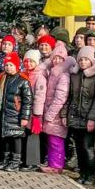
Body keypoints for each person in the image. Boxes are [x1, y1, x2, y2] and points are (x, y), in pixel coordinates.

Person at [66, 46, 95, 184]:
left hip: (88, 117)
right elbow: (70, 96)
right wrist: (66, 114)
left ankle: (90, 175)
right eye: (80, 59)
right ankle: (82, 173)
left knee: (88, 147)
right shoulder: (75, 75)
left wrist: (91, 119)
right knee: (79, 147)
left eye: (86, 59)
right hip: (75, 116)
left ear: (91, 60)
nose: (83, 62)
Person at [0, 52, 31, 172]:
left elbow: (27, 100)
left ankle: (15, 161)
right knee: (6, 137)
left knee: (16, 138)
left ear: (17, 66)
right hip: (5, 113)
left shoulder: (23, 80)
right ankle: (6, 159)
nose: (8, 67)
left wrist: (25, 117)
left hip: (16, 114)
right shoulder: (2, 78)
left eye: (11, 65)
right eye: (6, 65)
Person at [41, 43, 71, 173]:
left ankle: (57, 165)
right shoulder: (53, 73)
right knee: (52, 139)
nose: (57, 61)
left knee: (56, 140)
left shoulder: (63, 75)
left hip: (56, 115)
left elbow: (60, 98)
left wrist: (49, 114)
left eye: (60, 58)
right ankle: (53, 163)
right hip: (51, 113)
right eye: (55, 58)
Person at [21, 50, 47, 172]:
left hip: (34, 112)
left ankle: (32, 162)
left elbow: (39, 96)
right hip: (24, 110)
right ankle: (25, 160)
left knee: (33, 137)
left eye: (31, 61)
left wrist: (37, 114)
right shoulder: (24, 74)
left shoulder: (40, 77)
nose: (29, 63)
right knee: (25, 136)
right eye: (26, 61)